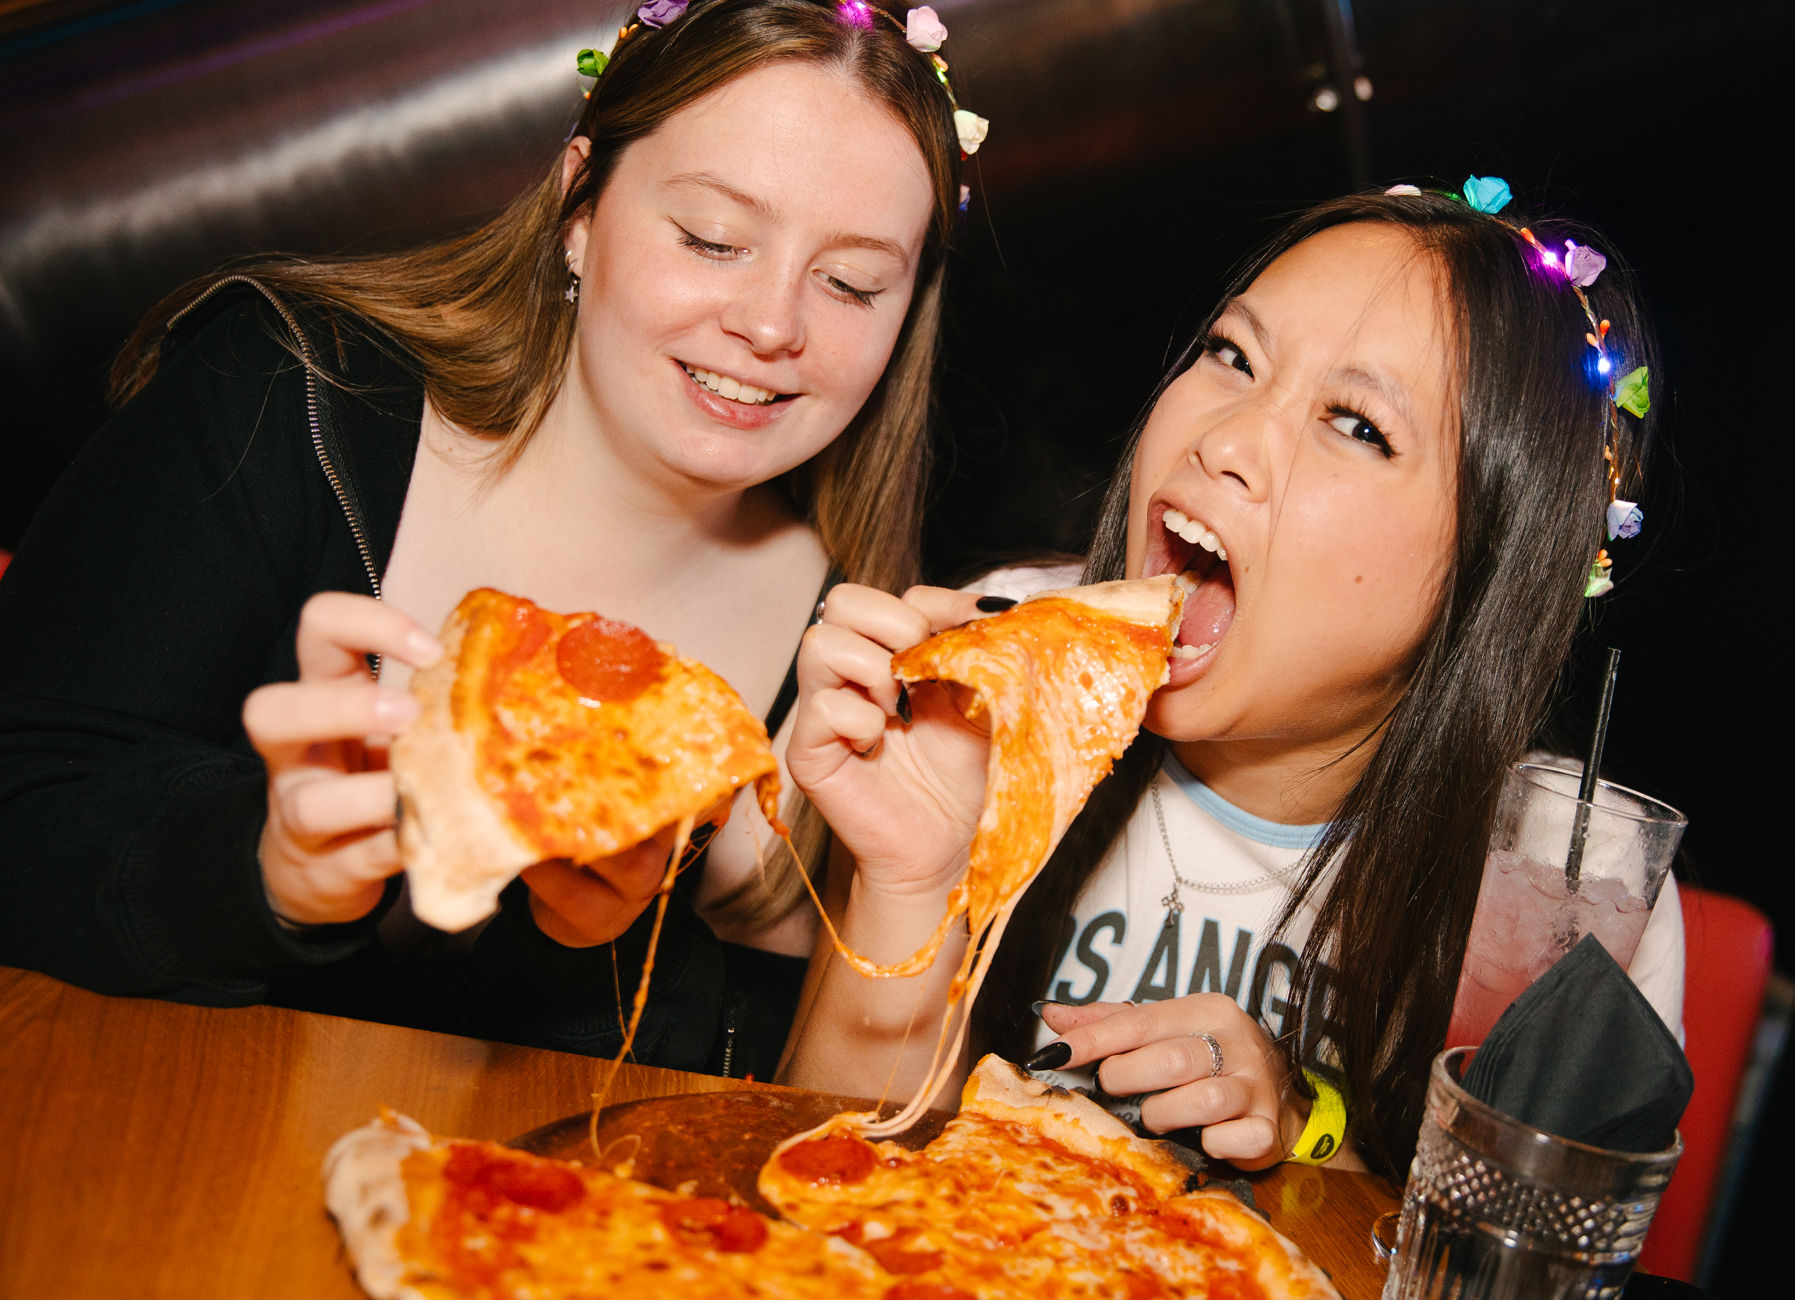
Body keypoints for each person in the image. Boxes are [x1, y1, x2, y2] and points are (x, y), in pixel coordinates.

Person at [0, 0, 972, 1081]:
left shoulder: (856, 680)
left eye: (850, 283)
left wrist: (594, 947)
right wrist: (262, 866)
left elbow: (745, 1120)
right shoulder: (286, 400)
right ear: (578, 207)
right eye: (712, 238)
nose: (773, 322)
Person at [780, 185, 1679, 1176]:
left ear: (1491, 574)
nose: (1226, 440)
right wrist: (911, 879)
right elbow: (814, 1200)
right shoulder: (993, 670)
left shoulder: (1566, 882)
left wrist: (1309, 1134)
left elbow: (1508, 1288)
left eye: (1358, 425)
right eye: (1231, 355)